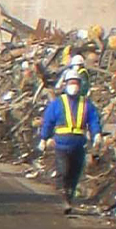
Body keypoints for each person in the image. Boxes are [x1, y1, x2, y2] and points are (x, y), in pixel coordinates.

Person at [39, 68, 102, 214]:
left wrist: (97, 133)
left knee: (75, 173)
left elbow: (93, 120)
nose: (74, 86)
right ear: (66, 84)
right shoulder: (57, 104)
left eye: (76, 83)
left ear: (80, 85)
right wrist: (44, 137)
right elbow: (48, 121)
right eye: (71, 83)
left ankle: (69, 195)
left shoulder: (86, 104)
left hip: (78, 145)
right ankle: (65, 198)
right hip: (61, 144)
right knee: (64, 171)